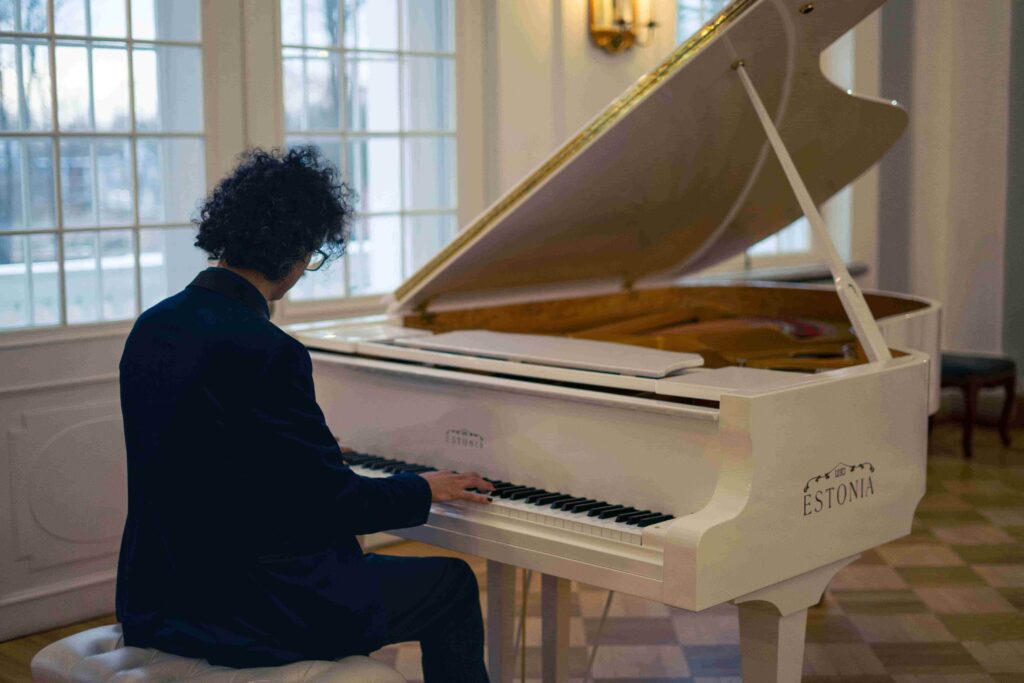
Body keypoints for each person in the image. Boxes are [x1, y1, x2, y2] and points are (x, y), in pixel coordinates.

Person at [115, 146, 494, 682]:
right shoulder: (268, 350)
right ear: (294, 252)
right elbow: (332, 507)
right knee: (452, 584)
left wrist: (300, 456)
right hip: (253, 609)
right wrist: (424, 486)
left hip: (160, 595)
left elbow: (202, 454)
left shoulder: (154, 325)